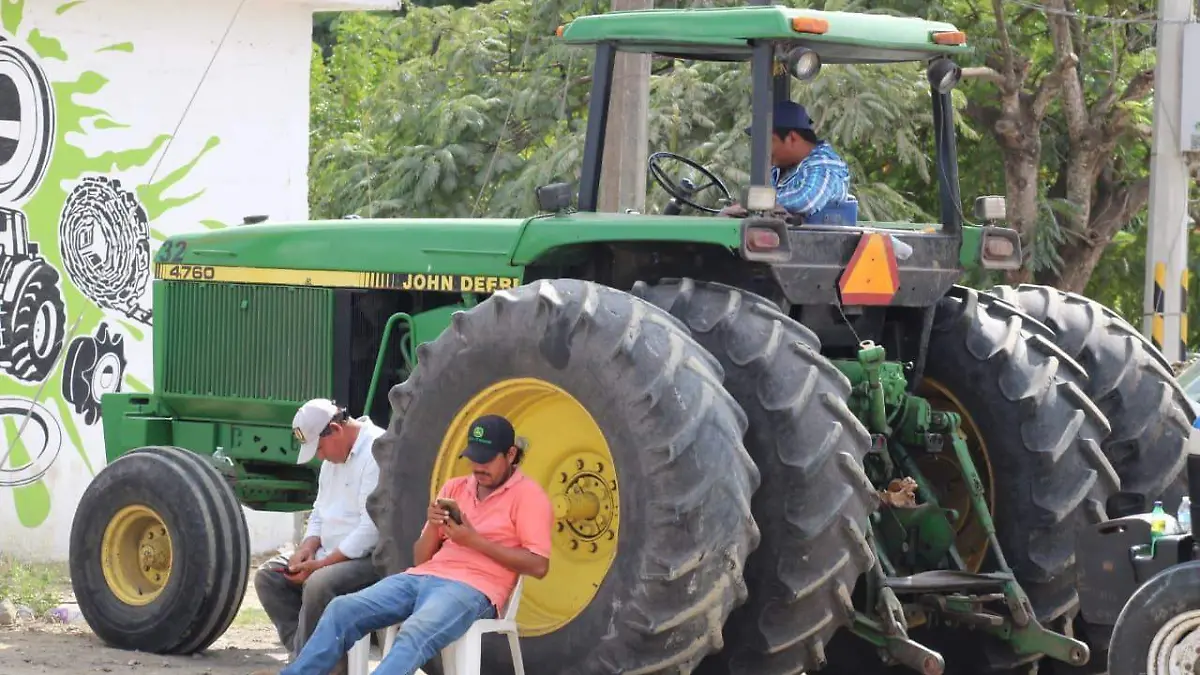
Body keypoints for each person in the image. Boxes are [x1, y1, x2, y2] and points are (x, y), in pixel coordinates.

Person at [276, 413, 553, 675]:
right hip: (423, 576)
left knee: (414, 631)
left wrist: (475, 541)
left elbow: (539, 566)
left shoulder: (529, 497)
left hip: (475, 588)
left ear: (511, 455)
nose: (478, 468)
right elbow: (421, 558)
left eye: (487, 460)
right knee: (342, 609)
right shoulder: (456, 488)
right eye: (474, 458)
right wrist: (434, 525)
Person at [252, 398, 386, 675]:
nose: (319, 456)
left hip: (371, 558)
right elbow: (319, 512)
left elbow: (371, 530)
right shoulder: (333, 459)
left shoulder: (377, 450)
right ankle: (317, 661)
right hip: (331, 555)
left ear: (335, 429)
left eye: (320, 448)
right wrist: (308, 546)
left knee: (318, 583)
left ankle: (305, 666)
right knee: (269, 577)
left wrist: (321, 565)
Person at [721, 100, 852, 222]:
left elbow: (805, 200)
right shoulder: (778, 170)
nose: (762, 150)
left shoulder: (824, 164)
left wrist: (752, 203)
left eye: (768, 141)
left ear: (792, 138)